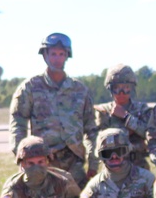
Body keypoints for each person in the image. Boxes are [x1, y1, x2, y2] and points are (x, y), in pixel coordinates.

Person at [9, 32, 98, 186]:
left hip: (74, 161)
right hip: (41, 161)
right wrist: (22, 157)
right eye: (53, 54)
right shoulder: (29, 88)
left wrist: (93, 162)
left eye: (61, 54)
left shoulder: (79, 90)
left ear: (67, 56)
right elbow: (18, 124)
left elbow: (91, 129)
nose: (57, 59)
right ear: (45, 55)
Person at [93, 64, 153, 168]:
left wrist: (126, 117)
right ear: (110, 89)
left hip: (138, 165)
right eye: (117, 88)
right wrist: (128, 132)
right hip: (112, 165)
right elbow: (100, 139)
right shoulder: (103, 111)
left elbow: (149, 134)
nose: (121, 93)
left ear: (132, 88)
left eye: (126, 88)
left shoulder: (142, 109)